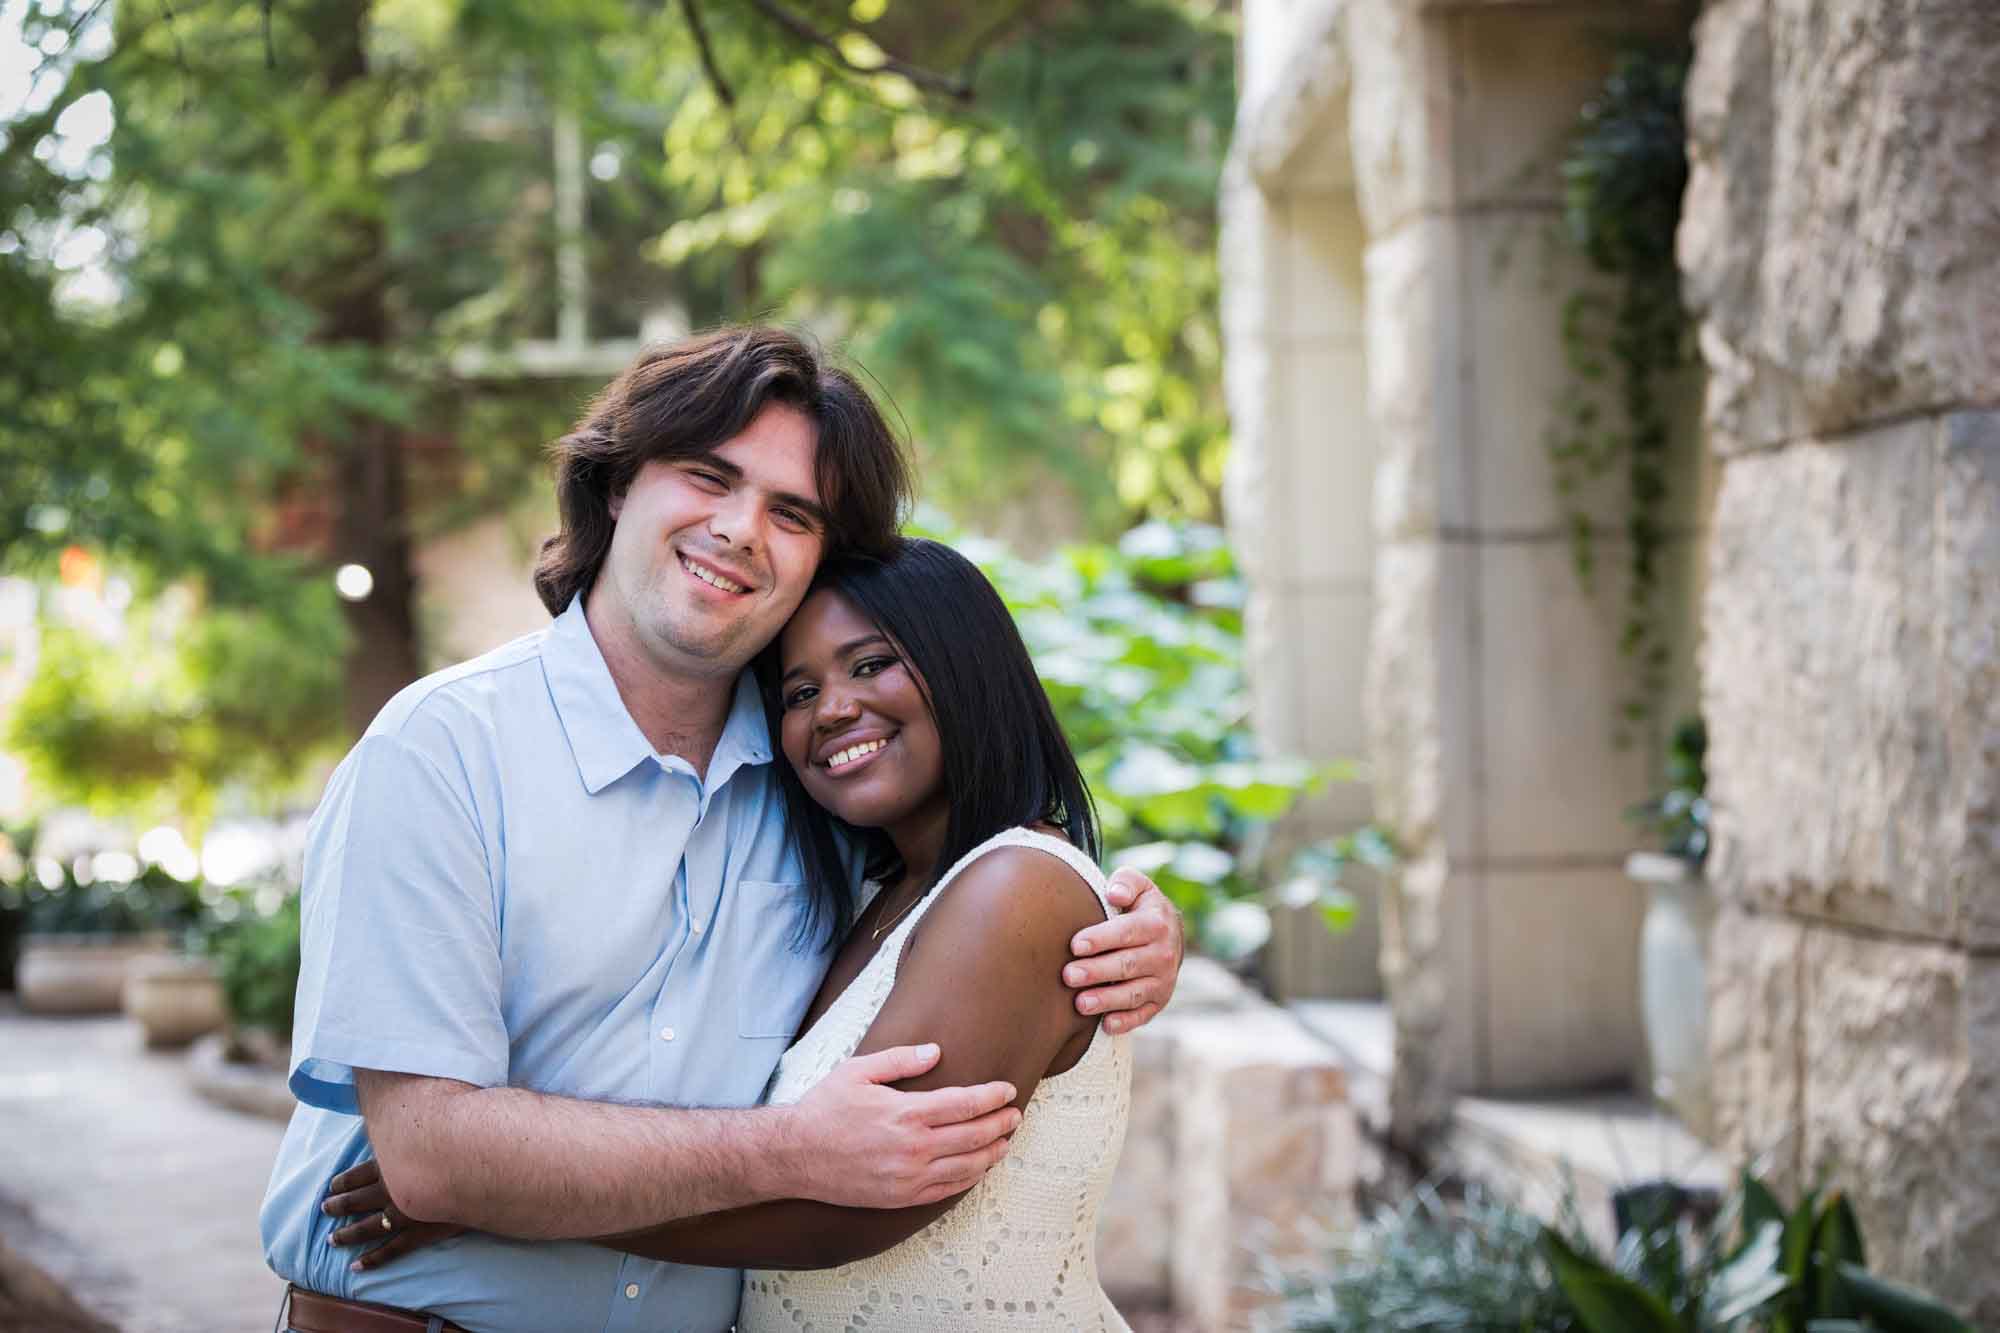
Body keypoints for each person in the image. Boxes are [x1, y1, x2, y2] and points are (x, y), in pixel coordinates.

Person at [259, 327, 1183, 1333]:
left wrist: (1127, 923)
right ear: (618, 486)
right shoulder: (441, 751)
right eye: (708, 475)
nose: (742, 529)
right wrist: (788, 1147)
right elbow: (434, 1160)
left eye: (792, 512)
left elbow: (975, 892)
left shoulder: (823, 794)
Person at [326, 537, 1139, 1328]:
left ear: (968, 665)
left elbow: (845, 1209)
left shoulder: (1013, 888)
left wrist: (502, 1202)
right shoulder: (871, 897)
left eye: (869, 663)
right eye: (798, 693)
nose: (835, 709)